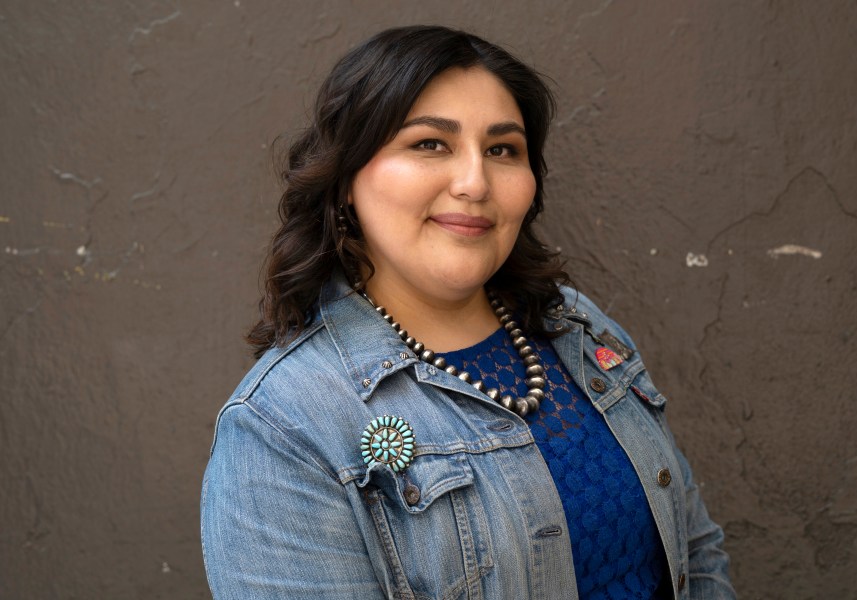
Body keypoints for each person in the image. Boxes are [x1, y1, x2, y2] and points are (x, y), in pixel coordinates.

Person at [201, 25, 736, 600]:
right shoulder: (285, 426)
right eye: (430, 144)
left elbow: (694, 548)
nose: (475, 182)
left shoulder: (575, 326)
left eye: (502, 149)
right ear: (346, 178)